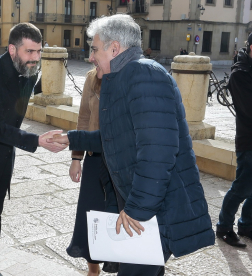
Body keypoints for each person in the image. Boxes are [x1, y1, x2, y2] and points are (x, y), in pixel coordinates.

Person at [48, 14, 215, 276]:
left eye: (95, 49)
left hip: (155, 211)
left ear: (114, 49)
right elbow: (117, 137)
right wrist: (73, 139)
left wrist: (136, 209)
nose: (91, 57)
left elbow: (157, 153)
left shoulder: (145, 76)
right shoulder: (125, 76)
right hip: (144, 207)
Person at [0, 23, 67, 276]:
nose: (35, 58)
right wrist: (37, 140)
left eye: (39, 52)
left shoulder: (28, 71)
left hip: (4, 155)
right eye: (30, 52)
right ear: (12, 49)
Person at [67, 68, 119, 276]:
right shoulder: (91, 77)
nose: (91, 57)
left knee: (116, 214)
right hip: (94, 157)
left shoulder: (129, 76)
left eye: (96, 50)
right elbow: (83, 117)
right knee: (91, 213)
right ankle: (93, 269)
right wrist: (76, 158)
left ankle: (119, 263)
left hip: (120, 161)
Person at [216, 33, 252, 248]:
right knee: (242, 187)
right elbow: (249, 110)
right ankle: (224, 227)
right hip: (248, 141)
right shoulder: (240, 74)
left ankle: (247, 224)